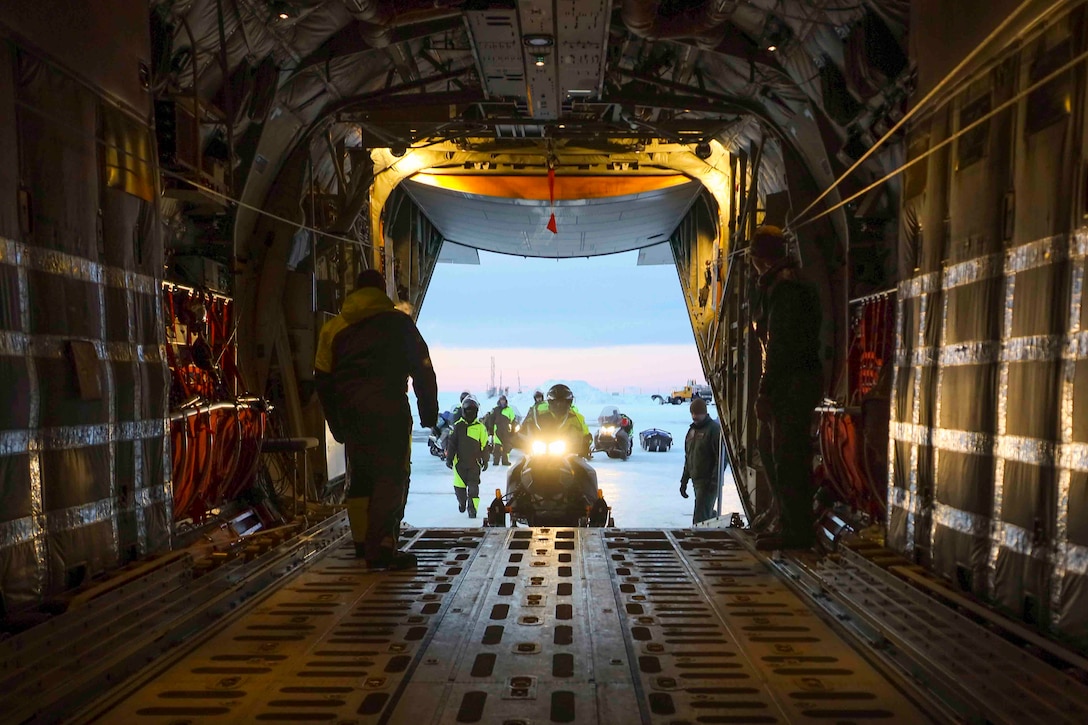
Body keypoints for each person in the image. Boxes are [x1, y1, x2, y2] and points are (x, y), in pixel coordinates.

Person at [315, 269, 438, 570]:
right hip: (389, 407)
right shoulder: (399, 323)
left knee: (361, 476)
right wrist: (428, 410)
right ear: (382, 291)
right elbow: (423, 368)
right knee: (391, 475)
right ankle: (382, 545)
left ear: (354, 292)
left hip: (352, 411)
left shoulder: (334, 327)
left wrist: (336, 423)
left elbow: (322, 378)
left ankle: (361, 542)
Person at [748, 225, 822, 550]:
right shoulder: (779, 285)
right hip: (790, 381)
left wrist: (764, 391)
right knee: (771, 449)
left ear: (758, 258)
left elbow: (778, 346)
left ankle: (796, 531)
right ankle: (787, 520)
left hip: (791, 383)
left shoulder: (785, 288)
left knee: (787, 456)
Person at [446, 396, 490, 518]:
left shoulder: (480, 427)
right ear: (464, 411)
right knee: (460, 489)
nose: (470, 412)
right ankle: (462, 502)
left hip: (474, 464)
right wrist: (449, 458)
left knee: (474, 489)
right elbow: (452, 444)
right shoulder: (457, 426)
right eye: (468, 409)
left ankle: (472, 509)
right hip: (459, 464)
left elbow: (485, 445)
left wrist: (485, 460)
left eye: (473, 409)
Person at [679, 397, 721, 525]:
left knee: (700, 519)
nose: (694, 416)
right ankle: (713, 521)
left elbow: (720, 458)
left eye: (697, 413)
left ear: (704, 413)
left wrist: (715, 480)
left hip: (708, 482)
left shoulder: (713, 430)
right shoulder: (692, 431)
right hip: (696, 481)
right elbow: (689, 457)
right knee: (705, 515)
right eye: (692, 413)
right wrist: (684, 480)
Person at [487, 395, 518, 466]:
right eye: (501, 400)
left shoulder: (509, 410)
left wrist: (513, 430)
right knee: (497, 447)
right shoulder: (495, 410)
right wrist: (491, 429)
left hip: (506, 430)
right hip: (497, 430)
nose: (502, 401)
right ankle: (496, 461)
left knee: (506, 446)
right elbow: (490, 419)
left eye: (503, 400)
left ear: (506, 401)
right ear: (499, 401)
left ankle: (505, 461)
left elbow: (513, 420)